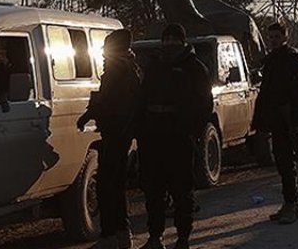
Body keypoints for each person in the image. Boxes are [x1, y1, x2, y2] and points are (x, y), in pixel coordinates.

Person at [136, 24, 213, 249]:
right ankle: (155, 237)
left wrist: (191, 129)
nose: (170, 43)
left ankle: (183, 237)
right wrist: (141, 128)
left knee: (182, 191)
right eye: (167, 39)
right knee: (153, 191)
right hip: (153, 137)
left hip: (179, 137)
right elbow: (141, 99)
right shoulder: (155, 66)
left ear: (182, 41)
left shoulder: (194, 67)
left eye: (174, 39)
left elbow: (204, 104)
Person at [76, 29, 141, 249]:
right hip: (118, 133)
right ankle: (120, 234)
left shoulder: (118, 70)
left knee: (107, 186)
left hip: (116, 133)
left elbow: (109, 102)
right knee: (114, 185)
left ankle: (111, 235)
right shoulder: (128, 68)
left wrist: (89, 114)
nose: (103, 53)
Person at [253, 23, 298, 224]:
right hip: (275, 118)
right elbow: (266, 92)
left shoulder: (293, 59)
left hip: (288, 117)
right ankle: (288, 203)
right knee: (281, 161)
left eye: (277, 36)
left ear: (285, 37)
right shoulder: (271, 60)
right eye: (271, 37)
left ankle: (292, 204)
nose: (273, 40)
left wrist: (297, 120)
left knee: (287, 162)